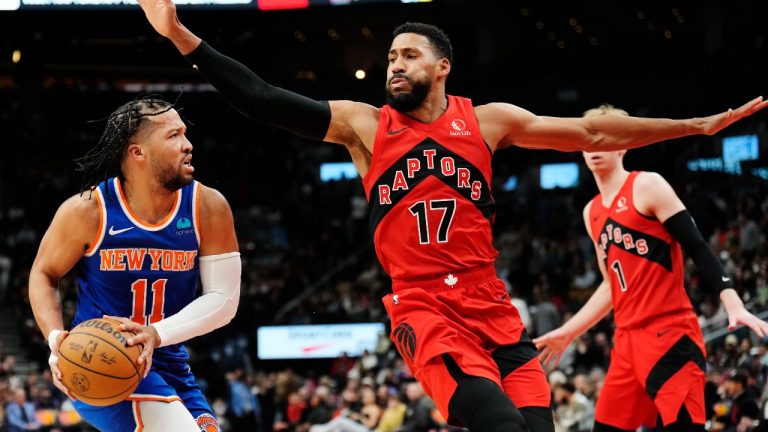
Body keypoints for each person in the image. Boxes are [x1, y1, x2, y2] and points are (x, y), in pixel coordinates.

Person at [136, 1, 767, 429]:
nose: (394, 65)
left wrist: (695, 125)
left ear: (442, 66)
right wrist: (180, 36)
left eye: (407, 55)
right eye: (389, 58)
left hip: (492, 305)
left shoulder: (488, 122)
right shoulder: (364, 127)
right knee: (499, 424)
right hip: (425, 309)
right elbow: (264, 99)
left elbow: (592, 130)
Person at [534, 106, 768, 431]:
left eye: (606, 137)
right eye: (588, 138)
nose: (595, 147)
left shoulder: (647, 185)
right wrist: (569, 331)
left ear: (624, 143)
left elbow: (697, 246)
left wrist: (733, 303)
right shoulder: (591, 212)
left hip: (669, 334)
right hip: (626, 342)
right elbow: (610, 287)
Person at [28, 95, 240, 432]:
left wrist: (156, 334)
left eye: (184, 133)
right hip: (104, 362)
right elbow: (44, 273)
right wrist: (56, 340)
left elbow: (225, 301)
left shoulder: (207, 206)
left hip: (169, 363)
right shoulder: (87, 211)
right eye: (173, 136)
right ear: (137, 152)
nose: (188, 145)